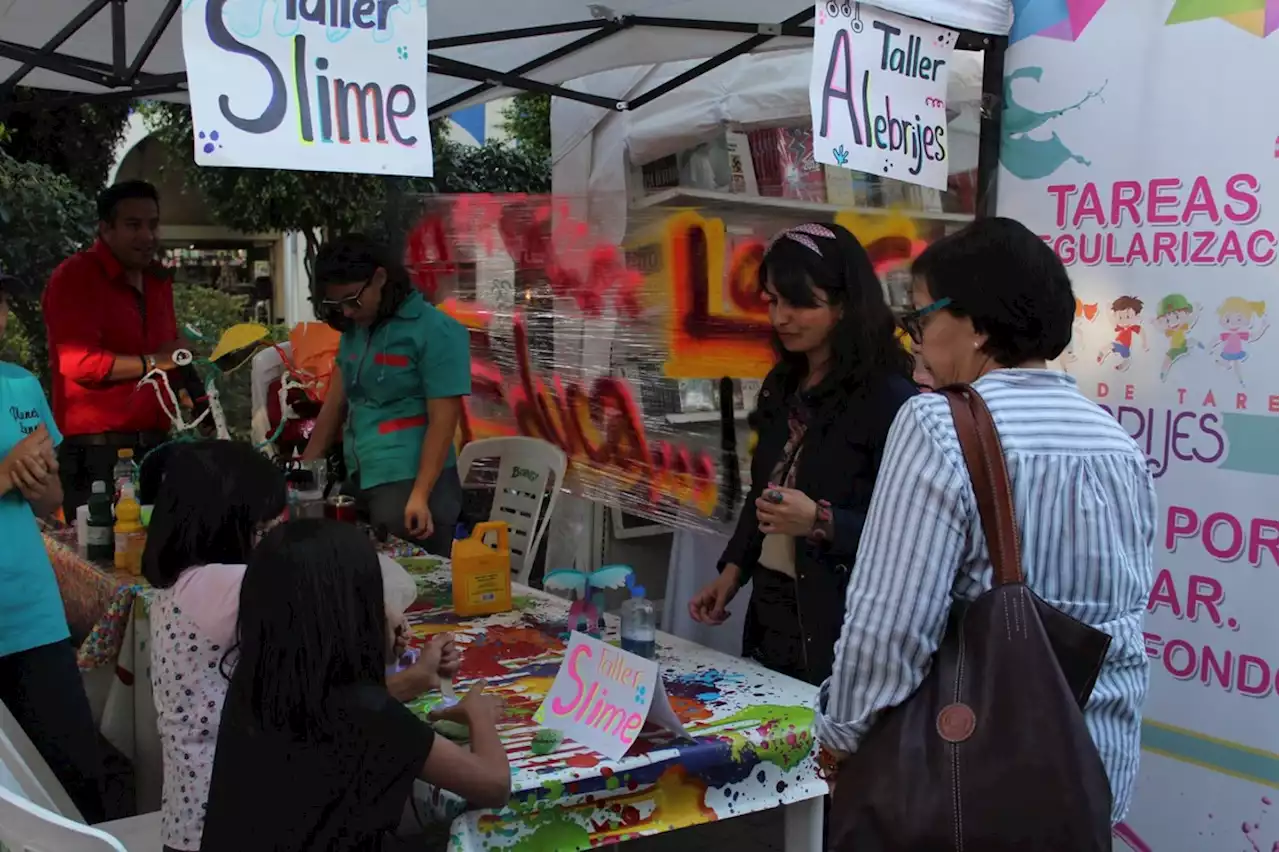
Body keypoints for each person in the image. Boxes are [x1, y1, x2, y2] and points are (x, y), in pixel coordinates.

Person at [814, 217, 1155, 825]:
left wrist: (841, 734)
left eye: (919, 318)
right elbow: (1121, 619)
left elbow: (887, 629)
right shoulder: (1116, 442)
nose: (913, 338)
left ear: (975, 325)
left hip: (969, 777)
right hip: (1090, 774)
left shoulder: (938, 425)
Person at [143, 441, 459, 852]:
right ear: (228, 522)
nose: (271, 543)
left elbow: (313, 681)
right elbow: (337, 699)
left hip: (191, 827)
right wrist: (385, 621)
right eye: (262, 529)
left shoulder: (182, 586)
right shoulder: (225, 585)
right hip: (231, 830)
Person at [687, 223, 917, 686]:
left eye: (799, 303)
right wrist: (732, 574)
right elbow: (764, 495)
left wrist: (821, 520)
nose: (780, 318)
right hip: (772, 608)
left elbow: (909, 531)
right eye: (773, 301)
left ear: (845, 303)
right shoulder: (783, 386)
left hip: (842, 617)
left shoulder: (891, 399)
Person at [200, 519, 511, 852]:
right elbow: (493, 784)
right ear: (353, 612)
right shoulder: (370, 715)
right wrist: (480, 714)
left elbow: (331, 717)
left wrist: (410, 672)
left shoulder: (258, 677)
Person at [0, 268, 105, 822]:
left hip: (34, 614)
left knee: (75, 777)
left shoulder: (20, 384)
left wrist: (42, 489)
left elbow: (50, 500)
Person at [301, 235, 471, 555]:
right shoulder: (357, 331)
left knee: (415, 591)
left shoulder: (436, 331)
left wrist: (421, 493)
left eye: (353, 300)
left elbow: (443, 421)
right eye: (337, 306)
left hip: (412, 484)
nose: (348, 313)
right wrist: (304, 470)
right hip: (361, 476)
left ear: (380, 278)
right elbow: (335, 405)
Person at [43, 180, 186, 521]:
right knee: (101, 564)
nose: (147, 236)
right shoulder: (75, 276)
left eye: (152, 224)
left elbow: (169, 356)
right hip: (96, 455)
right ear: (105, 229)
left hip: (155, 447)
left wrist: (191, 393)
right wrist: (154, 362)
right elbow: (79, 363)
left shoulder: (157, 280)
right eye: (133, 225)